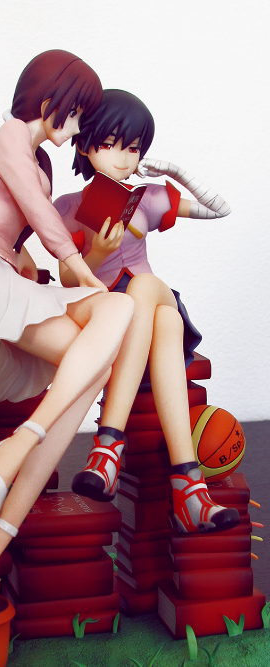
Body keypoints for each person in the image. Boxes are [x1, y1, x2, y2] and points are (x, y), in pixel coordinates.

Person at [0, 54, 134, 628]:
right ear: (50, 100)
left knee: (95, 357)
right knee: (109, 306)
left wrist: (8, 240)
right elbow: (43, 219)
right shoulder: (10, 136)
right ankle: (13, 449)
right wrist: (78, 269)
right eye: (76, 114)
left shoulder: (28, 159)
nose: (77, 127)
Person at [55, 89, 240, 533]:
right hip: (110, 315)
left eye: (134, 148)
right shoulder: (68, 207)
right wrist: (97, 254)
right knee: (165, 320)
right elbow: (67, 279)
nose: (123, 158)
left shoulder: (148, 198)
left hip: (148, 292)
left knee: (145, 288)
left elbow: (220, 209)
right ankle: (189, 491)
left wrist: (174, 172)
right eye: (110, 144)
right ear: (85, 144)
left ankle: (107, 450)